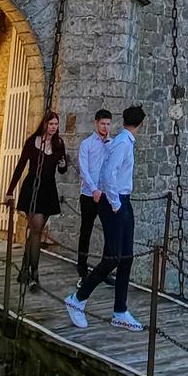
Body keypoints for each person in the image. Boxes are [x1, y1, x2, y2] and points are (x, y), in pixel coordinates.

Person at [65, 103, 144, 330]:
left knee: (126, 256)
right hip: (115, 202)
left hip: (123, 200)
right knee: (112, 257)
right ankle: (78, 299)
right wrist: (116, 202)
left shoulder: (122, 141)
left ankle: (120, 310)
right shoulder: (122, 143)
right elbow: (108, 174)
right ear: (141, 123)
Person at [7, 111, 67, 290]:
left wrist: (63, 165)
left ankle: (23, 271)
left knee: (35, 231)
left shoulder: (58, 144)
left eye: (56, 124)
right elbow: (21, 166)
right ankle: (35, 274)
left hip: (48, 191)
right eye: (51, 124)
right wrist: (10, 191)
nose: (53, 127)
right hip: (32, 189)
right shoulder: (32, 142)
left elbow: (61, 169)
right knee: (36, 230)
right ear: (44, 124)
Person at [75, 108, 112, 281]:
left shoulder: (111, 145)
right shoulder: (87, 144)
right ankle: (82, 270)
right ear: (96, 123)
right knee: (86, 231)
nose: (105, 127)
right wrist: (93, 189)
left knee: (108, 232)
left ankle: (104, 271)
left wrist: (108, 144)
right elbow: (84, 169)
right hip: (89, 195)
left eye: (108, 124)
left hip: (105, 195)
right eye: (103, 123)